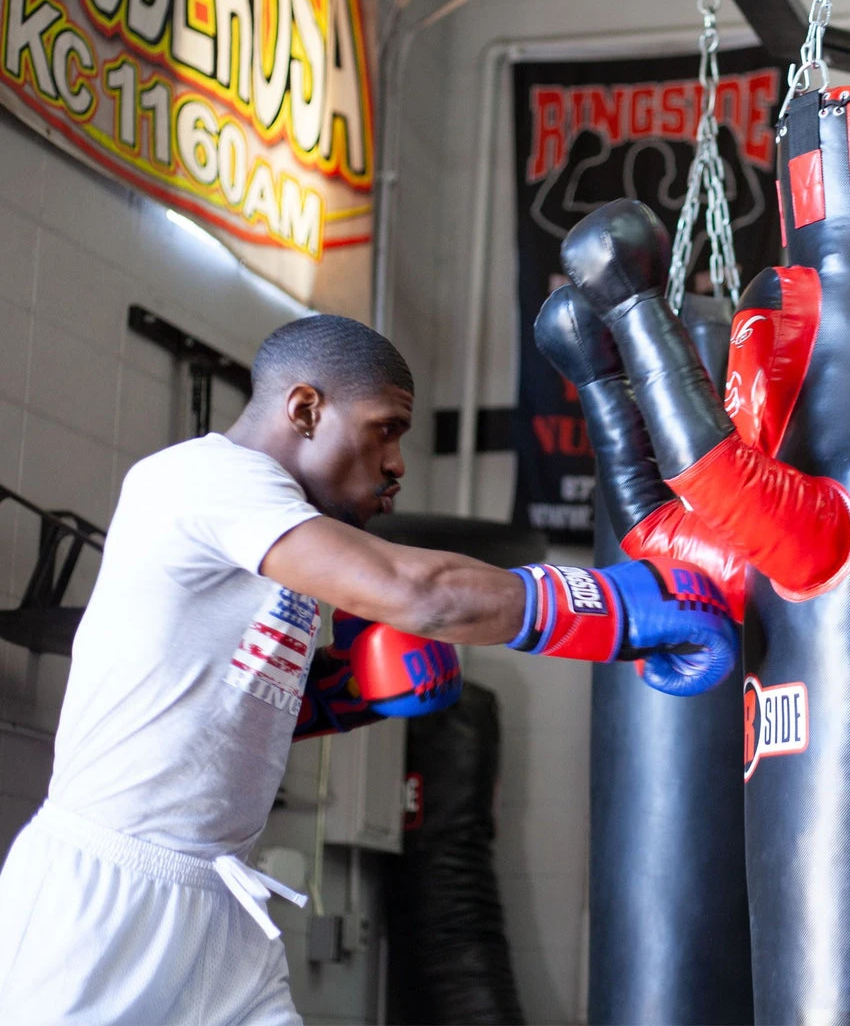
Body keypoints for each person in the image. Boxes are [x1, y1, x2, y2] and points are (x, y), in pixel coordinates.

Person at [0, 313, 737, 1025]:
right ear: (305, 409)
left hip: (222, 906)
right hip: (103, 901)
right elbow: (420, 595)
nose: (396, 464)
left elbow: (221, 709)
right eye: (386, 428)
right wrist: (615, 606)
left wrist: (349, 689)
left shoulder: (278, 547)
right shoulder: (204, 477)